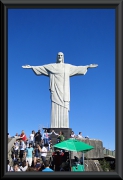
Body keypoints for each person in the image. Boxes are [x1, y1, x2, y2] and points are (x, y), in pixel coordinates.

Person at [22, 52, 98, 128]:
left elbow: (77, 68)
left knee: (64, 107)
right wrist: (31, 67)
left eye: (61, 55)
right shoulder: (52, 66)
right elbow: (42, 67)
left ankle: (64, 126)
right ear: (56, 57)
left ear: (63, 57)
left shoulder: (67, 66)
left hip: (64, 91)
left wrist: (87, 66)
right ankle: (55, 125)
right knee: (55, 106)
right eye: (58, 55)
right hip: (55, 90)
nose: (60, 57)